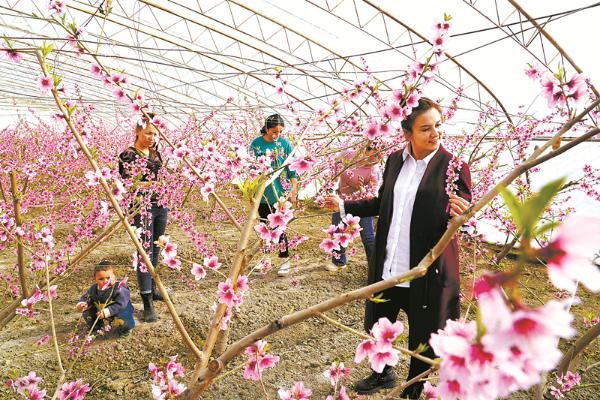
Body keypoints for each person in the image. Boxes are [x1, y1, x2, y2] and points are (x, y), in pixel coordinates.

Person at [324, 97, 472, 398]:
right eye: (425, 129)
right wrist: (343, 206)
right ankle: (382, 374)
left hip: (426, 270)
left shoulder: (453, 167)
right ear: (408, 133)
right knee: (379, 324)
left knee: (425, 334)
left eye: (438, 126)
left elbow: (463, 217)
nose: (435, 134)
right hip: (389, 266)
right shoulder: (394, 161)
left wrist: (464, 214)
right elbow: (382, 203)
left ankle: (413, 389)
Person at [118, 113, 168, 322]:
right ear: (137, 131)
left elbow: (161, 176)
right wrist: (150, 186)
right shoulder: (127, 155)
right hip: (141, 206)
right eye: (148, 133)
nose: (151, 137)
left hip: (160, 205)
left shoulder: (156, 153)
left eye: (155, 134)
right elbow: (126, 183)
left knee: (156, 247)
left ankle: (154, 288)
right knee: (144, 252)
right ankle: (146, 300)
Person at [249, 114, 299, 276]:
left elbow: (292, 170)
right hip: (262, 193)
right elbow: (250, 168)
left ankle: (284, 260)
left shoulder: (285, 145)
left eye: (280, 131)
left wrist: (294, 191)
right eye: (274, 131)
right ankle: (266, 258)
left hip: (280, 194)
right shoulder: (256, 144)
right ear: (267, 128)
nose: (277, 135)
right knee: (264, 227)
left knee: (280, 228)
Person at [327, 144, 381, 272]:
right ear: (365, 149)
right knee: (338, 232)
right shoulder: (349, 155)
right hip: (342, 201)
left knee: (368, 237)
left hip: (361, 206)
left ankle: (375, 266)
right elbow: (335, 161)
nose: (377, 157)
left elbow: (372, 196)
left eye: (380, 154)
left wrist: (361, 189)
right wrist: (334, 176)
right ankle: (339, 261)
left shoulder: (374, 171)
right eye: (375, 153)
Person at [76, 260, 135, 337]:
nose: (105, 281)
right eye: (101, 279)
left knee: (124, 316)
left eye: (108, 278)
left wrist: (107, 312)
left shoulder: (120, 288)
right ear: (95, 280)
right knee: (87, 311)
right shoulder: (93, 289)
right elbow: (86, 297)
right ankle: (97, 327)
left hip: (118, 310)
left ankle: (126, 329)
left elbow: (121, 304)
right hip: (100, 311)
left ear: (115, 277)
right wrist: (82, 304)